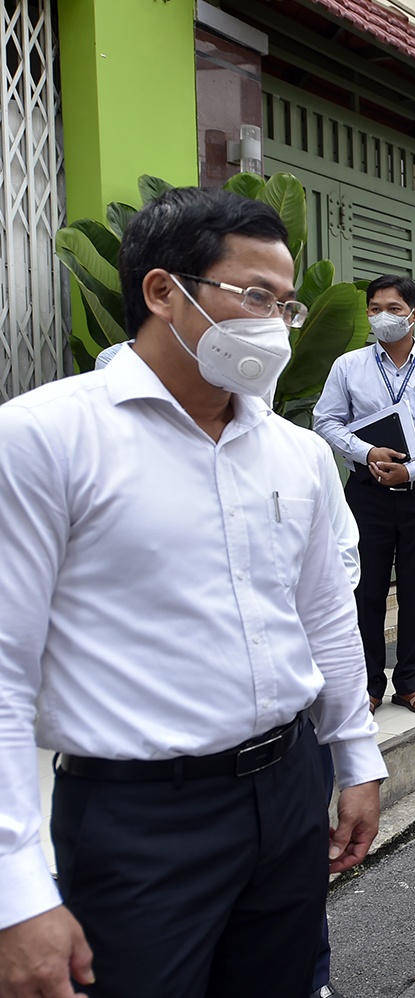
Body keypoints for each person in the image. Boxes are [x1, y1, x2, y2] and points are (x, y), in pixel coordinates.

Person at [0, 186, 385, 996]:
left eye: (286, 305)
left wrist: (356, 755)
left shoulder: (297, 454)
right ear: (162, 291)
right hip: (140, 818)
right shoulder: (45, 438)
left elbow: (323, 613)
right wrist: (17, 890)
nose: (275, 322)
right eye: (253, 296)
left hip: (286, 793)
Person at [314, 276, 415, 716]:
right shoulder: (348, 366)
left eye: (394, 309)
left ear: (414, 315)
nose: (383, 316)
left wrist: (411, 469)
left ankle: (410, 682)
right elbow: (327, 420)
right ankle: (369, 684)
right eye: (375, 308)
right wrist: (367, 451)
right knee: (367, 591)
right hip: (366, 494)